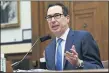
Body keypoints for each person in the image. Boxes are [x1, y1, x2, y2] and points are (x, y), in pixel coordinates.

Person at [44, 3, 104, 70]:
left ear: (67, 18)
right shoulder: (48, 49)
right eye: (49, 17)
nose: (52, 20)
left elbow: (98, 68)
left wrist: (79, 63)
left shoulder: (83, 38)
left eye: (57, 15)